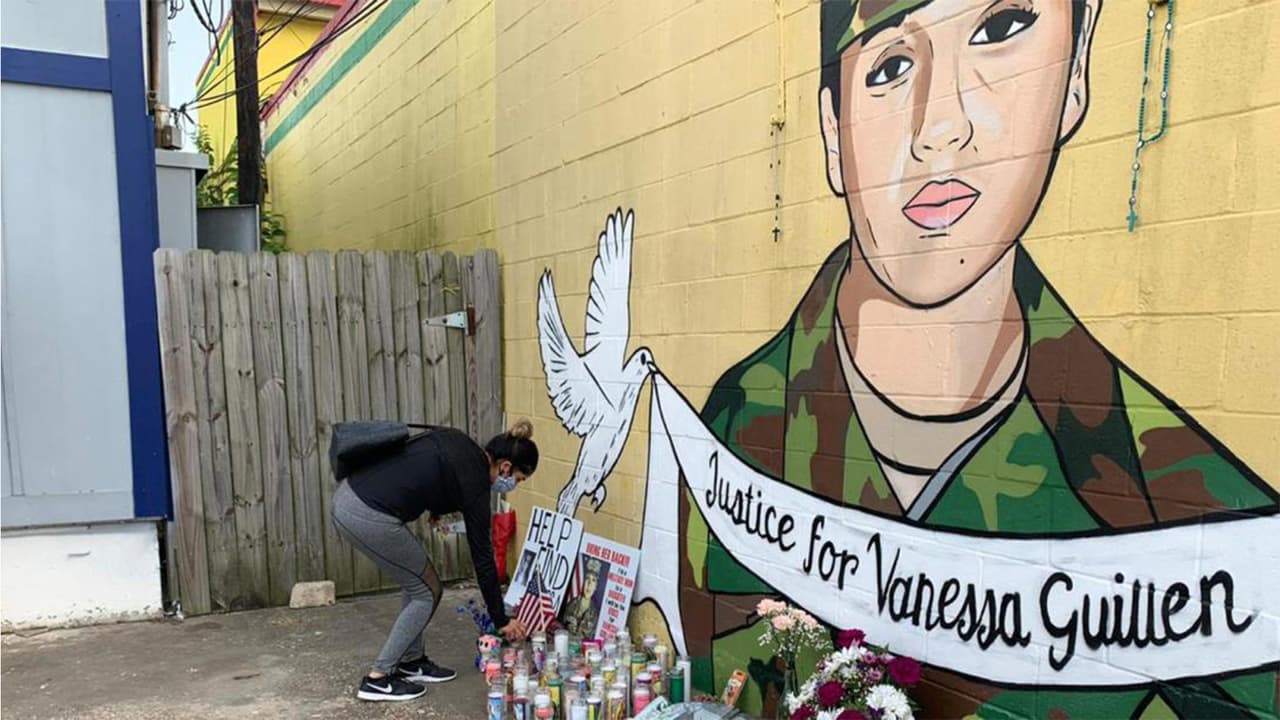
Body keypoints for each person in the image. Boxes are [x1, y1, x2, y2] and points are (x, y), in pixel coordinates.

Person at [675, 1, 1278, 718]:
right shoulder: (735, 437)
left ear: (1076, 66)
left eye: (1000, 30)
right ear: (833, 134)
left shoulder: (1194, 523)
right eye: (892, 66)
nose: (942, 127)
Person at [331, 419, 539, 702]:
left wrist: (438, 507)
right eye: (518, 478)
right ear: (505, 467)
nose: (513, 484)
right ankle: (378, 678)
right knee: (428, 590)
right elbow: (483, 559)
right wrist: (501, 618)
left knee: (414, 580)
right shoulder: (476, 482)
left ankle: (411, 661)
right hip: (367, 514)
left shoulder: (460, 441)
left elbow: (430, 467)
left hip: (351, 496)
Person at [561, 557, 604, 636]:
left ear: (596, 586)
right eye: (587, 579)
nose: (589, 584)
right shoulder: (572, 604)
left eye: (593, 580)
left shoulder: (595, 613)